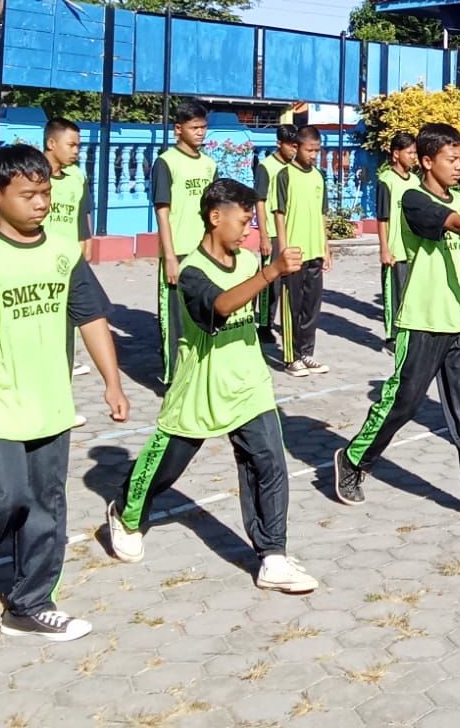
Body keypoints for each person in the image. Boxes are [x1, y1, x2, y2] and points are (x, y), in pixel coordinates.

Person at [0, 144, 130, 648]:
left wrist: (112, 381)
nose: (40, 203)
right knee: (4, 500)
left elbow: (91, 318)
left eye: (45, 193)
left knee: (47, 506)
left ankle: (30, 604)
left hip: (50, 404)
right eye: (28, 195)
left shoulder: (64, 251)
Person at [107, 179, 317, 594]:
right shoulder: (191, 271)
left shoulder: (245, 261)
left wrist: (270, 273)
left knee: (269, 464)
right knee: (165, 469)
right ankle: (127, 513)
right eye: (243, 221)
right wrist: (272, 272)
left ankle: (272, 556)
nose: (247, 229)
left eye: (251, 221)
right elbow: (221, 306)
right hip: (200, 390)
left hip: (249, 385)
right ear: (215, 217)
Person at [333, 123, 460, 528]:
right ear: (427, 162)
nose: (459, 167)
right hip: (423, 321)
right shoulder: (413, 199)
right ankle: (354, 458)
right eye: (452, 159)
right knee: (404, 403)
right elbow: (456, 225)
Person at [151, 99, 218, 384]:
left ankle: (200, 375)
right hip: (178, 253)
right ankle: (174, 379)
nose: (200, 133)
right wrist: (169, 257)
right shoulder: (166, 163)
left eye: (203, 127)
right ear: (178, 129)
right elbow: (162, 213)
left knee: (205, 317)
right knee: (175, 322)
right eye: (195, 127)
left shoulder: (209, 165)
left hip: (204, 254)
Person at [42, 119, 95, 386]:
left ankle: (64, 373)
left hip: (69, 260)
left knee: (68, 321)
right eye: (71, 145)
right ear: (51, 144)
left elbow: (81, 212)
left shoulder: (77, 176)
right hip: (40, 261)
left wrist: (86, 241)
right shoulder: (33, 174)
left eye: (78, 145)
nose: (76, 151)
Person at [273, 127, 330, 376]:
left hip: (315, 251)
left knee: (311, 306)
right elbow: (279, 214)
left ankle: (307, 352)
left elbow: (322, 214)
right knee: (291, 307)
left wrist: (326, 248)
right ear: (297, 148)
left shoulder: (319, 176)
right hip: (294, 253)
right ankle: (290, 357)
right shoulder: (285, 175)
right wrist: (284, 249)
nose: (314, 155)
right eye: (310, 150)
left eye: (317, 150)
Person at [253, 125, 300, 338]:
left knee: (289, 282)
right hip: (272, 232)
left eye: (296, 146)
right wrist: (264, 236)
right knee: (269, 282)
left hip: (291, 232)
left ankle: (289, 322)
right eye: (290, 145)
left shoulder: (294, 169)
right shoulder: (266, 167)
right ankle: (264, 324)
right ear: (279, 144)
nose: (293, 150)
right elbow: (260, 203)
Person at [376, 131, 417, 345]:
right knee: (394, 295)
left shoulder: (416, 181)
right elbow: (382, 218)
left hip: (413, 250)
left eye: (415, 153)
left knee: (411, 294)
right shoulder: (387, 181)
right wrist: (384, 248)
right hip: (395, 249)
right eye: (409, 152)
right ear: (396, 154)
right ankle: (392, 335)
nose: (413, 157)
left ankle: (409, 332)